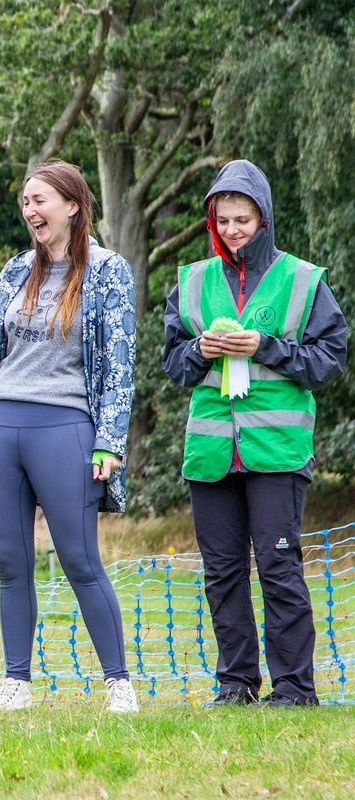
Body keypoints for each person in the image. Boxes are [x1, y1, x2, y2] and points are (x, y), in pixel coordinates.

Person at [0, 160, 139, 714]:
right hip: (0, 428)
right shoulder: (14, 271)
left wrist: (110, 440)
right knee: (11, 563)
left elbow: (121, 364)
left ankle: (118, 683)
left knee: (80, 559)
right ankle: (16, 683)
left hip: (66, 426)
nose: (31, 211)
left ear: (73, 206)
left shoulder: (108, 271)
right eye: (26, 202)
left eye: (40, 200)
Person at [162, 160, 347, 707]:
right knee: (221, 575)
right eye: (223, 221)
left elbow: (329, 361)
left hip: (276, 453)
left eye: (242, 219)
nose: (232, 230)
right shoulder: (191, 282)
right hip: (211, 453)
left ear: (264, 219)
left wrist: (264, 347)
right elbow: (173, 367)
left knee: (278, 568)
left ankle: (294, 688)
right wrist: (199, 350)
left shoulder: (303, 280)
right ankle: (236, 684)